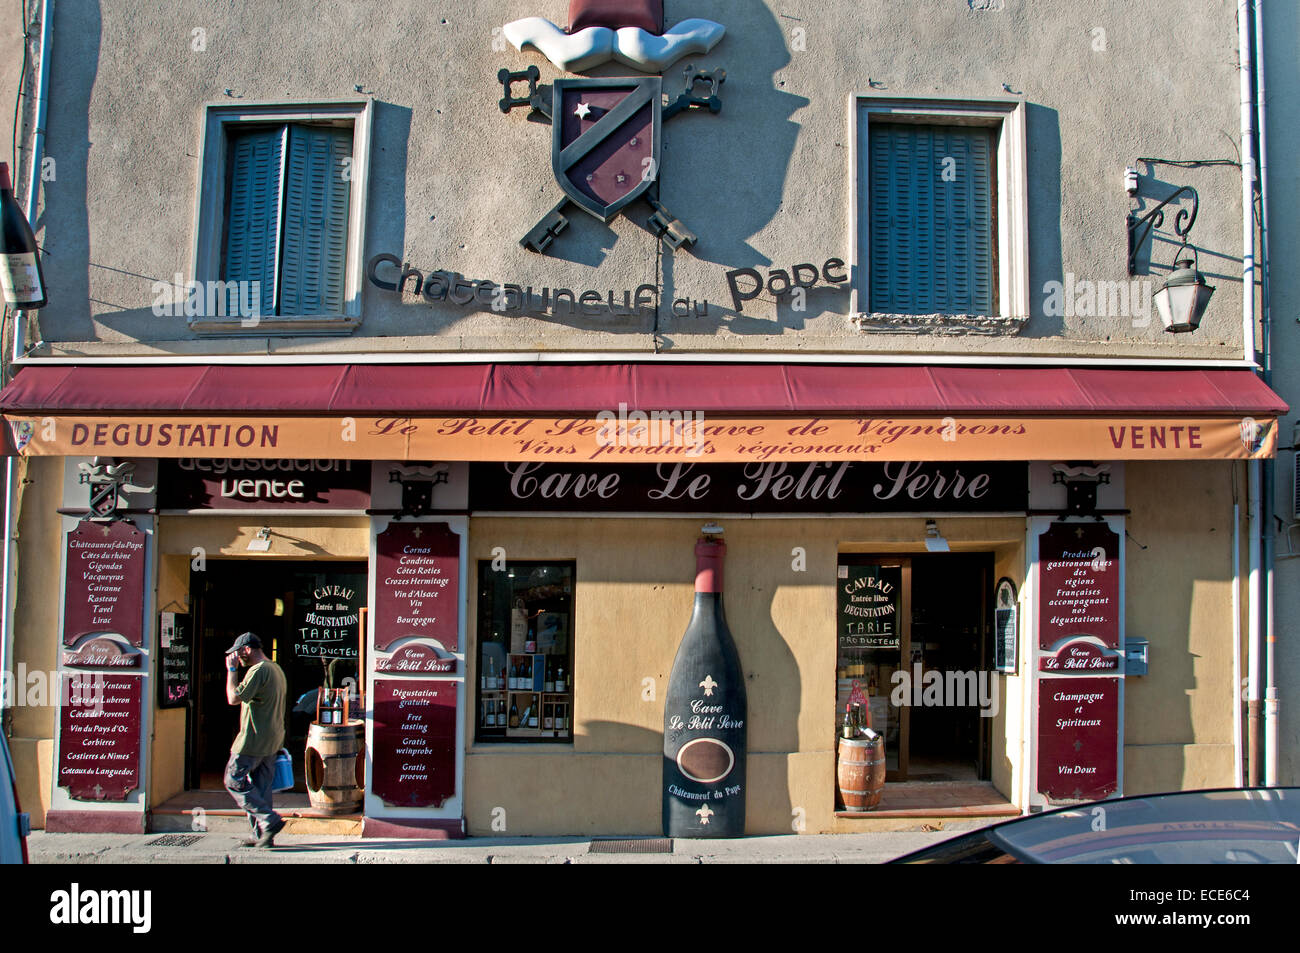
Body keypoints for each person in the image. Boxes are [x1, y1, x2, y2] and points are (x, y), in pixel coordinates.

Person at [223, 632, 287, 847]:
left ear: (247, 649)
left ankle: (268, 819)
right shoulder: (276, 669)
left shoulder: (258, 670)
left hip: (252, 739)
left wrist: (231, 671)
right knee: (261, 788)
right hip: (272, 740)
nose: (237, 658)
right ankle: (262, 836)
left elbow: (233, 698)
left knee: (233, 780)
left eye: (237, 654)